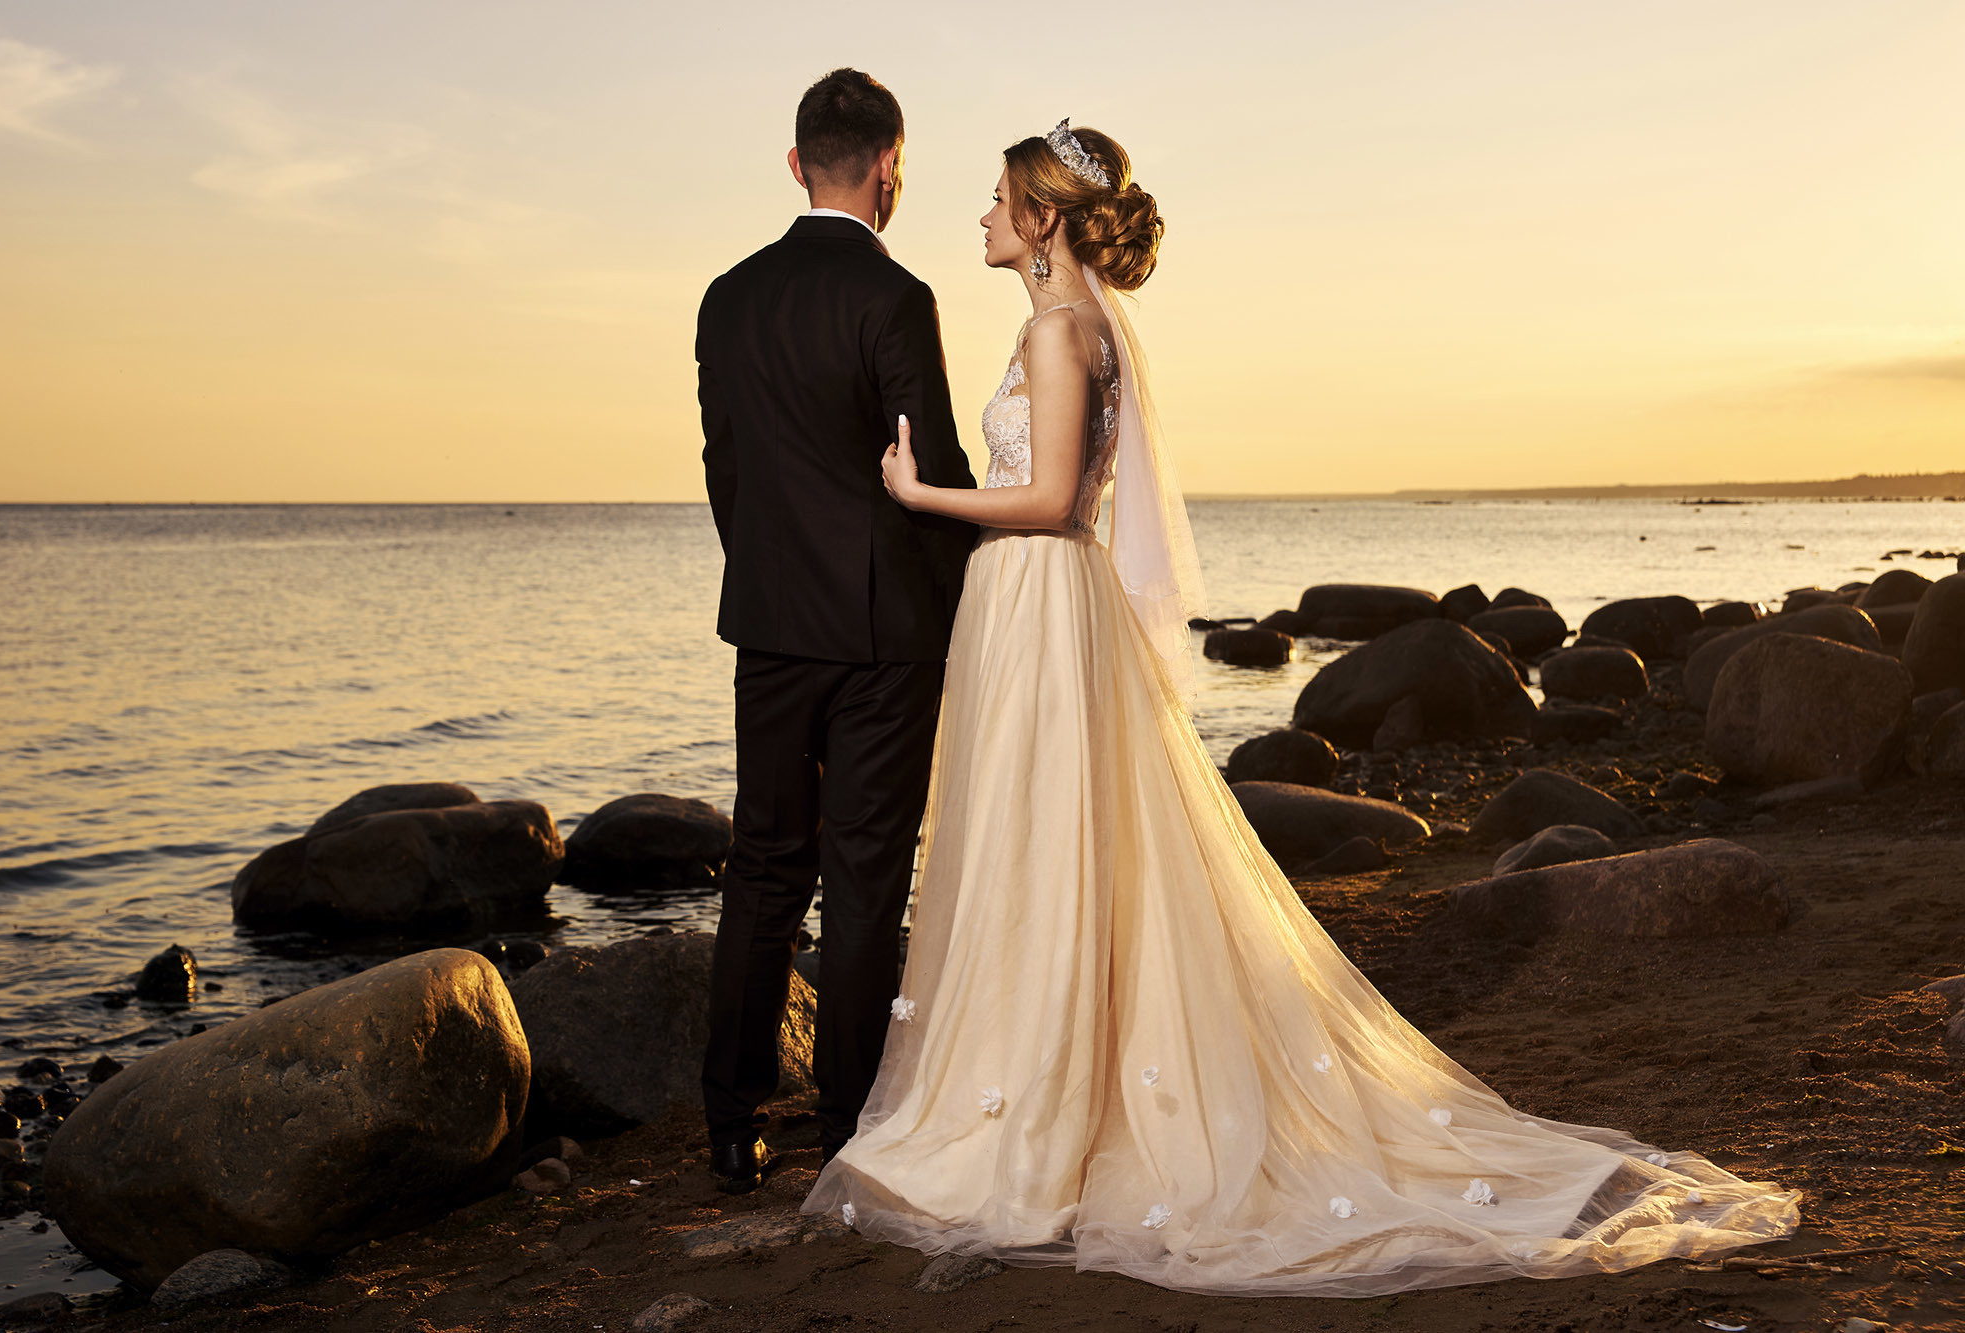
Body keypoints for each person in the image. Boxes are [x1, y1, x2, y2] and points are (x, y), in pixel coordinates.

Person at [799, 119, 1801, 1295]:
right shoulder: (1085, 327)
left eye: (996, 198)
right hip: (1041, 608)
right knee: (1049, 844)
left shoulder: (1057, 327)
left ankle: (1028, 1112)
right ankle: (1035, 1082)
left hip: (1040, 596)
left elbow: (1056, 496)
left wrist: (924, 493)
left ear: (1042, 221)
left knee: (1042, 844)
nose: (976, 213)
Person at [696, 68, 979, 1193]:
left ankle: (728, 1122)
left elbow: (726, 469)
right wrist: (976, 606)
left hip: (769, 625)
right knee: (862, 877)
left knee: (761, 867)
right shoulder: (895, 297)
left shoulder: (728, 295)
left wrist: (768, 574)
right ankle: (849, 1129)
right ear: (887, 166)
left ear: (795, 161)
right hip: (881, 633)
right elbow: (936, 472)